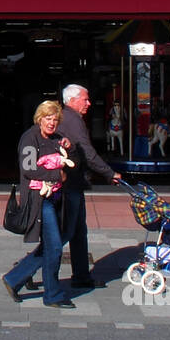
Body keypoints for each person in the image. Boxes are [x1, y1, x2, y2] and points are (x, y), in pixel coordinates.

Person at [3, 100, 74, 308]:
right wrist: (57, 175)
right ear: (39, 119)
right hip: (39, 200)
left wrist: (71, 147)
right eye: (47, 119)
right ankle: (52, 295)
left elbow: (69, 159)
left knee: (54, 243)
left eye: (55, 120)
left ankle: (15, 277)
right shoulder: (29, 138)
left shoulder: (56, 138)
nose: (51, 123)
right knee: (54, 245)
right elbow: (28, 169)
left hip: (55, 197)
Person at [57, 84, 121, 289]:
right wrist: (109, 173)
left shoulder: (71, 118)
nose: (89, 103)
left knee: (77, 232)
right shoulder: (73, 121)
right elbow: (88, 153)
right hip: (71, 184)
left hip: (75, 182)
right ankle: (21, 272)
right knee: (66, 233)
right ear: (72, 100)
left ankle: (82, 276)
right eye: (85, 99)